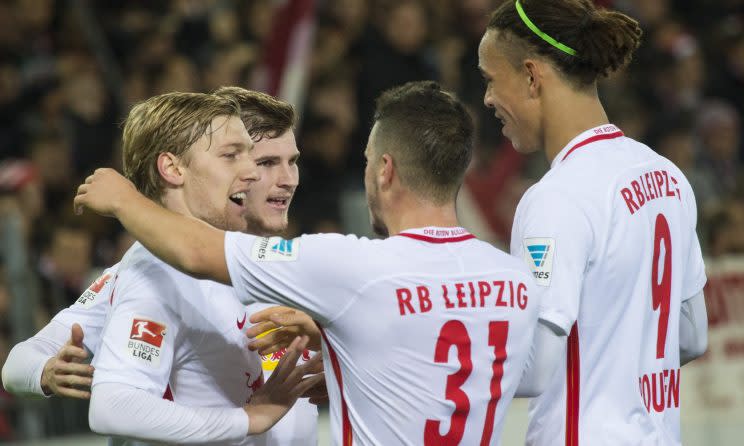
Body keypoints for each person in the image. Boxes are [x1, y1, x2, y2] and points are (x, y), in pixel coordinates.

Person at [74, 81, 543, 445]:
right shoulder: (512, 276)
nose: (284, 179)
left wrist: (124, 201)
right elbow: (522, 372)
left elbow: (198, 253)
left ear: (384, 169)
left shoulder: (344, 266)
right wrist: (350, 354)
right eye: (253, 160)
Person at [2, 87, 322, 445]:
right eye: (246, 158)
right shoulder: (154, 270)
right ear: (173, 168)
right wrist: (247, 419)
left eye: (291, 161)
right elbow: (111, 404)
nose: (284, 178)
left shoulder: (268, 261)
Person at [478, 1, 708, 444]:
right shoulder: (666, 176)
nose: (487, 98)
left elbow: (535, 369)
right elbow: (694, 336)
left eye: (490, 79)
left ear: (530, 76)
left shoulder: (555, 199)